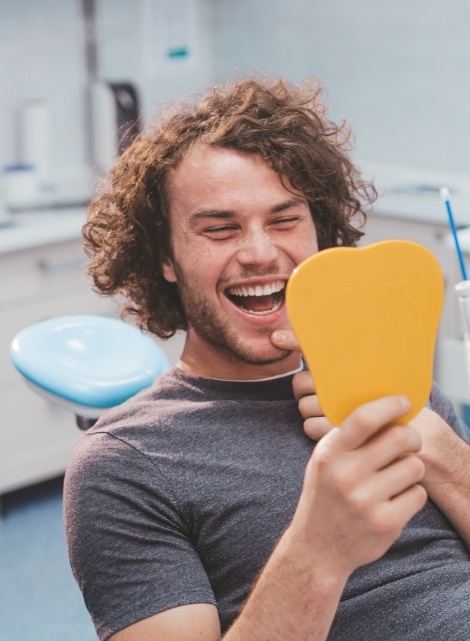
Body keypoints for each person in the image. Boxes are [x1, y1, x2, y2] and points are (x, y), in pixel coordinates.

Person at [63, 77, 470, 641]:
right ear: (165, 258)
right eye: (219, 229)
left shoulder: (390, 379)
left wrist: (433, 441)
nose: (259, 254)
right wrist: (319, 551)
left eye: (284, 221)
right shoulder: (122, 465)